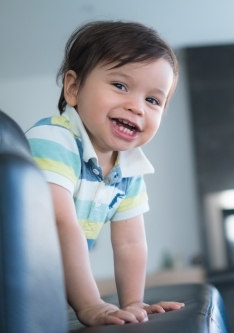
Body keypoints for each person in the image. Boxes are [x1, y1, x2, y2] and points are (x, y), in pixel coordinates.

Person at [25, 21, 184, 326]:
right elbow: (60, 224)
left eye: (152, 100)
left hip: (45, 286)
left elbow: (130, 243)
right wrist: (90, 304)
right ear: (73, 88)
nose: (136, 106)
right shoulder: (53, 141)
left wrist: (134, 303)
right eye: (120, 86)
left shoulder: (129, 169)